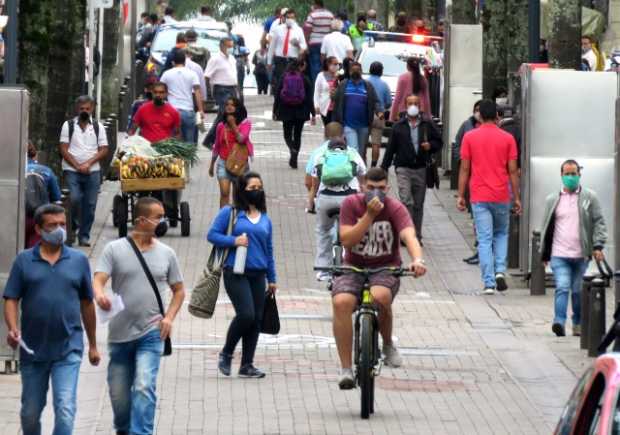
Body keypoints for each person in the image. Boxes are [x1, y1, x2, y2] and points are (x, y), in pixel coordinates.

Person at [4, 204, 100, 435]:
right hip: (32, 351)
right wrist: (13, 328)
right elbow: (11, 298)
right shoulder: (24, 261)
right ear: (38, 229)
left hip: (68, 348)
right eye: (53, 225)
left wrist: (93, 345)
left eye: (63, 224)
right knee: (30, 412)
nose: (59, 229)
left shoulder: (78, 260)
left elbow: (87, 303)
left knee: (65, 408)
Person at [94, 197, 185, 435]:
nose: (163, 221)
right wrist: (99, 294)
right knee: (119, 395)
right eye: (158, 217)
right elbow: (99, 278)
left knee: (144, 386)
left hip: (152, 332)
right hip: (120, 333)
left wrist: (169, 318)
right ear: (142, 220)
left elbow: (179, 290)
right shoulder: (114, 249)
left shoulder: (167, 253)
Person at [332, 167, 426, 388]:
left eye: (381, 189)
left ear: (388, 188)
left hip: (385, 267)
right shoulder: (351, 204)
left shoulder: (395, 208)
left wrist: (418, 260)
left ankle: (387, 345)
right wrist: (369, 216)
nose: (376, 193)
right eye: (371, 188)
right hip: (353, 266)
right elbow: (346, 240)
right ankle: (346, 368)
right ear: (363, 186)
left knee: (381, 297)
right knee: (341, 302)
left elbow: (409, 235)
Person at [207, 172, 277, 379]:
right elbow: (212, 235)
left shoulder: (265, 219)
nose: (257, 191)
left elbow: (269, 249)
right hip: (235, 272)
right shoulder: (230, 213)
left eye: (259, 187)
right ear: (242, 190)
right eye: (252, 188)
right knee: (245, 314)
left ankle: (247, 364)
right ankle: (226, 353)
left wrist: (272, 278)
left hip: (258, 274)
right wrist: (234, 241)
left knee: (255, 320)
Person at [457, 99, 521, 295]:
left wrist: (461, 195)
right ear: (497, 115)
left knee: (484, 238)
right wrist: (516, 198)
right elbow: (512, 171)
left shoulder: (469, 137)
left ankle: (488, 282)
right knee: (501, 234)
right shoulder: (507, 138)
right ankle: (500, 270)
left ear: (480, 115)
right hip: (501, 194)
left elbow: (465, 168)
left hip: (478, 194)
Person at [540, 160, 607, 337]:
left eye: (574, 173)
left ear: (579, 174)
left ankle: (577, 322)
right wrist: (544, 253)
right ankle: (559, 322)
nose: (571, 177)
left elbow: (599, 222)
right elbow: (546, 226)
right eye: (567, 173)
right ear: (561, 175)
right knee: (562, 286)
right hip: (558, 253)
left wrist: (598, 245)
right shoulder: (552, 199)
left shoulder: (589, 197)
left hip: (580, 255)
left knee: (578, 290)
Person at [381, 94, 443, 245]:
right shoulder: (398, 126)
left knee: (418, 204)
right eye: (410, 103)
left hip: (421, 168)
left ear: (420, 105)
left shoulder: (427, 124)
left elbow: (439, 141)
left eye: (416, 103)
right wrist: (383, 168)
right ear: (405, 105)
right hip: (403, 168)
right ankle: (407, 234)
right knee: (406, 200)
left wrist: (431, 146)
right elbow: (390, 149)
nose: (413, 106)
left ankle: (417, 236)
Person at [308, 125, 367, 281]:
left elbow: (314, 184)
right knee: (353, 232)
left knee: (323, 230)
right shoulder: (353, 153)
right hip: (349, 199)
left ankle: (323, 270)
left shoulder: (320, 154)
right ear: (343, 137)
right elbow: (363, 176)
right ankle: (350, 266)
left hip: (325, 199)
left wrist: (310, 204)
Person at [59, 95, 109, 247]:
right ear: (77, 109)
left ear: (92, 109)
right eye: (82, 109)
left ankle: (84, 236)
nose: (84, 111)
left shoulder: (97, 126)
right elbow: (63, 148)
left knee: (90, 204)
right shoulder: (68, 125)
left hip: (92, 171)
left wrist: (88, 164)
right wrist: (77, 165)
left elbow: (104, 149)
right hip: (71, 170)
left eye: (87, 108)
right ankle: (72, 227)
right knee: (73, 199)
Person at [210, 97, 254, 208]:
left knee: (238, 196)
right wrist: (211, 164)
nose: (229, 107)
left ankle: (237, 221)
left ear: (238, 108)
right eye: (227, 105)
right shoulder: (221, 126)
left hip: (239, 164)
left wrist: (233, 124)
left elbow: (241, 139)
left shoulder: (246, 124)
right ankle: (223, 220)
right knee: (224, 193)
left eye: (232, 105)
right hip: (223, 163)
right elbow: (217, 146)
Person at [273, 59, 316, 169]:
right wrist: (313, 113)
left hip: (285, 109)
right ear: (301, 66)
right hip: (301, 110)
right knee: (297, 134)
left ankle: (291, 148)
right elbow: (309, 98)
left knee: (287, 133)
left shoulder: (283, 77)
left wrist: (275, 110)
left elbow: (277, 94)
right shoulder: (305, 79)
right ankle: (295, 158)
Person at [332, 61, 382, 156]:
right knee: (353, 149)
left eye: (358, 70)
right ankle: (353, 170)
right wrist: (332, 95)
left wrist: (379, 111)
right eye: (353, 70)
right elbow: (336, 99)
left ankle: (360, 169)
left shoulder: (367, 86)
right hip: (348, 124)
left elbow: (375, 100)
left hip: (364, 125)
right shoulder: (344, 85)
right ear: (350, 71)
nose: (355, 72)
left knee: (361, 151)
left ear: (361, 71)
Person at [454, 100, 481, 265]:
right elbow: (457, 144)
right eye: (475, 110)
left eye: (480, 110)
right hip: (471, 177)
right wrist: (463, 160)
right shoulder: (466, 126)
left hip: (483, 179)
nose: (478, 113)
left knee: (481, 218)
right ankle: (479, 250)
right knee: (476, 216)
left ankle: (482, 251)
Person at [160, 50, 205, 144]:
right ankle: (188, 159)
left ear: (173, 62)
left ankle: (176, 158)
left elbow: (160, 92)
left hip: (171, 111)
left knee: (173, 142)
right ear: (185, 61)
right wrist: (201, 110)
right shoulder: (192, 74)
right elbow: (197, 92)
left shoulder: (166, 74)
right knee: (189, 142)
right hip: (188, 111)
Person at [203, 37, 239, 149]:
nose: (231, 49)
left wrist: (237, 91)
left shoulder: (232, 58)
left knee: (223, 115)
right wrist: (208, 92)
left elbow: (234, 75)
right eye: (229, 46)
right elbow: (207, 76)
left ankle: (214, 139)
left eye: (232, 46)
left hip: (232, 88)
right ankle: (210, 140)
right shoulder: (215, 59)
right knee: (226, 114)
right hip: (221, 89)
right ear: (221, 46)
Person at [25, 142, 62, 248]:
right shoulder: (46, 171)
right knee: (35, 248)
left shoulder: (13, 171)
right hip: (40, 216)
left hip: (18, 216)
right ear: (35, 154)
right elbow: (57, 197)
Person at [268, 9, 307, 95]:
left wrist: (298, 45)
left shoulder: (298, 30)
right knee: (279, 83)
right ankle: (278, 102)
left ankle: (291, 101)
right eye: (288, 17)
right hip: (280, 59)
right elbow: (272, 46)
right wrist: (269, 61)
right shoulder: (278, 29)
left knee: (292, 83)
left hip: (293, 60)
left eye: (292, 17)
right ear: (285, 18)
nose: (290, 19)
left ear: (295, 18)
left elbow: (304, 46)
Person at [367, 61, 392, 167]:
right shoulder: (384, 85)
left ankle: (362, 164)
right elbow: (389, 103)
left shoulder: (365, 82)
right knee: (376, 143)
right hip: (379, 116)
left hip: (365, 115)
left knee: (362, 142)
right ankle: (373, 165)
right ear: (381, 72)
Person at [391, 57, 431, 122]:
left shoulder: (402, 78)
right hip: (419, 113)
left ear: (407, 66)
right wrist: (429, 118)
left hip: (404, 113)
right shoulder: (423, 79)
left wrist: (392, 118)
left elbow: (397, 99)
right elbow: (426, 101)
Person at [304, 0, 334, 83]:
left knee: (315, 66)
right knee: (326, 65)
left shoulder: (312, 15)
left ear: (316, 4)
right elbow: (332, 29)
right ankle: (327, 84)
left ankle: (317, 86)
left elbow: (307, 31)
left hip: (314, 43)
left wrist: (306, 43)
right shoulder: (330, 15)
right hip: (327, 43)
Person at [314, 56, 339, 127]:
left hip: (337, 108)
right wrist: (316, 105)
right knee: (328, 127)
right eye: (335, 64)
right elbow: (317, 92)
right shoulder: (321, 76)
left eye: (337, 64)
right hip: (325, 107)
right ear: (328, 64)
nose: (337, 66)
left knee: (335, 129)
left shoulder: (339, 75)